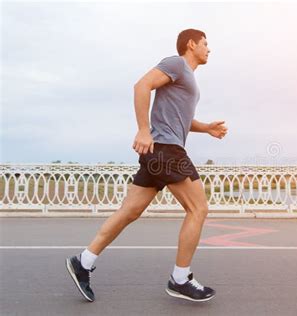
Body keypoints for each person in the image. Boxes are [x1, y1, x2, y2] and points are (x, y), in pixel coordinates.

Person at [65, 28, 227, 303]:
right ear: (191, 44)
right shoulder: (176, 64)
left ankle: (84, 261)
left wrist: (206, 127)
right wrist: (143, 130)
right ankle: (180, 278)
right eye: (205, 43)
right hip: (166, 151)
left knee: (130, 211)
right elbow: (141, 86)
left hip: (160, 152)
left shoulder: (187, 78)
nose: (209, 49)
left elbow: (180, 120)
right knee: (198, 208)